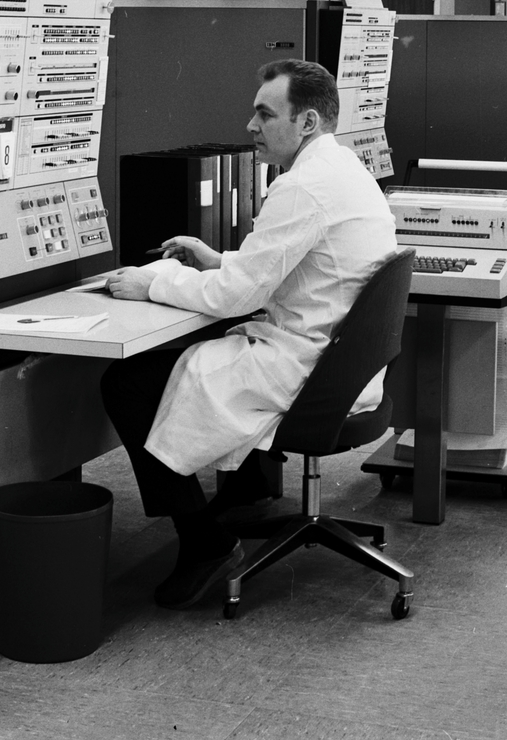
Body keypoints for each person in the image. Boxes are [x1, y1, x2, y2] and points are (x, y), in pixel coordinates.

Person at [100, 59, 397, 608]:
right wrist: (220, 259)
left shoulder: (303, 186)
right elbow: (292, 265)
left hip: (308, 371)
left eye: (265, 114)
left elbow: (235, 298)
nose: (250, 125)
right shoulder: (341, 169)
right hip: (342, 366)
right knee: (195, 360)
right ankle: (236, 498)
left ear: (307, 122)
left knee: (128, 383)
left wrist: (152, 282)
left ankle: (205, 545)